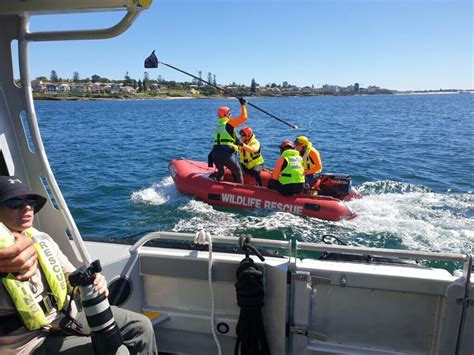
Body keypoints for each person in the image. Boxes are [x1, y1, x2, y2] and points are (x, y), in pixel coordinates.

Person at [0, 176, 157, 354]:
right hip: (27, 342)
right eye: (14, 203)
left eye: (30, 201)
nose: (26, 207)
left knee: (140, 326)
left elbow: (70, 279)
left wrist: (92, 282)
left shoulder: (42, 239)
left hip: (66, 316)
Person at [209, 97, 247, 183]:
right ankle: (239, 191)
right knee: (238, 172)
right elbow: (244, 117)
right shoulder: (228, 123)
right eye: (229, 113)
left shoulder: (219, 125)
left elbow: (229, 136)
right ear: (226, 114)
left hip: (215, 154)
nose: (231, 115)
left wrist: (237, 140)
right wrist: (243, 105)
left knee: (221, 172)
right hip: (225, 154)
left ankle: (217, 189)